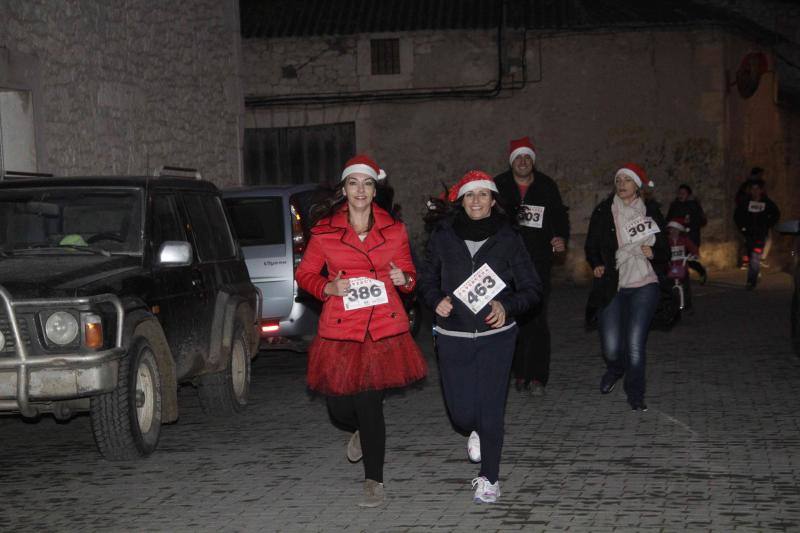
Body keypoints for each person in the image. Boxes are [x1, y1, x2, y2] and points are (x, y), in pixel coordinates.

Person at [295, 154, 427, 508]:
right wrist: (327, 288)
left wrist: (405, 280)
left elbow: (411, 276)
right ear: (344, 189)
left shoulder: (394, 229)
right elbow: (305, 274)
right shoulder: (324, 232)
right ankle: (359, 431)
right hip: (341, 327)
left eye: (367, 184)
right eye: (354, 183)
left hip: (382, 327)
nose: (360, 190)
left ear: (374, 190)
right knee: (338, 409)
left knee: (370, 406)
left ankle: (374, 480)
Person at [418, 170, 540, 504]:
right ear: (461, 200)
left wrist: (508, 306)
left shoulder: (508, 237)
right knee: (461, 413)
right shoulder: (443, 235)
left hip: (496, 336)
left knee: (491, 408)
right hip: (452, 333)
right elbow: (425, 278)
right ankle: (475, 428)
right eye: (471, 195)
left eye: (483, 195)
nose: (476, 201)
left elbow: (532, 288)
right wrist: (434, 299)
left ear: (493, 200)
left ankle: (489, 477)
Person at [584, 163, 668, 411]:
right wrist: (597, 263)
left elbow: (664, 250)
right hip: (614, 283)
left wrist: (653, 251)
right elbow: (591, 245)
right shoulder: (604, 211)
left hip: (644, 282)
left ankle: (635, 394)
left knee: (634, 344)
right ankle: (615, 367)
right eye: (618, 180)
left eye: (627, 180)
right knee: (611, 347)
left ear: (637, 186)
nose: (621, 184)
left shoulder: (651, 211)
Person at [493, 136, 569, 396]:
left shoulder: (546, 186)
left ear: (532, 161)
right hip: (507, 264)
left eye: (527, 158)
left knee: (537, 318)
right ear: (512, 161)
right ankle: (519, 372)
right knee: (511, 318)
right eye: (518, 158)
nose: (523, 162)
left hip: (538, 262)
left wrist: (560, 238)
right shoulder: (499, 185)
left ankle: (537, 376)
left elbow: (559, 216)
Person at [733, 177, 780, 289]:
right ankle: (755, 272)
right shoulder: (745, 202)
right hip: (748, 234)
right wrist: (742, 227)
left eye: (757, 189)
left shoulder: (767, 203)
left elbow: (776, 214)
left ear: (761, 190)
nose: (755, 191)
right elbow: (737, 216)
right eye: (752, 189)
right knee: (751, 255)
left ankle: (751, 281)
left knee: (755, 255)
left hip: (760, 234)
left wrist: (767, 224)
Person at [666, 184, 707, 284]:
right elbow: (669, 219)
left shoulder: (694, 205)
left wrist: (690, 221)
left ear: (688, 195)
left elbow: (702, 221)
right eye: (679, 193)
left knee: (689, 259)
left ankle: (701, 272)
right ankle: (679, 279)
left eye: (683, 193)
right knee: (677, 259)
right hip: (677, 238)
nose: (680, 195)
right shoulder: (674, 205)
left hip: (691, 236)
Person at [666, 218, 699, 311]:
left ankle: (687, 305)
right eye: (671, 229)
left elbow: (694, 249)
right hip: (670, 267)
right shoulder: (667, 241)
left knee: (686, 286)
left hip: (682, 267)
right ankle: (671, 304)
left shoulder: (684, 240)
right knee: (669, 286)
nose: (673, 231)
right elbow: (664, 251)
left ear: (679, 230)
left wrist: (694, 255)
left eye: (675, 229)